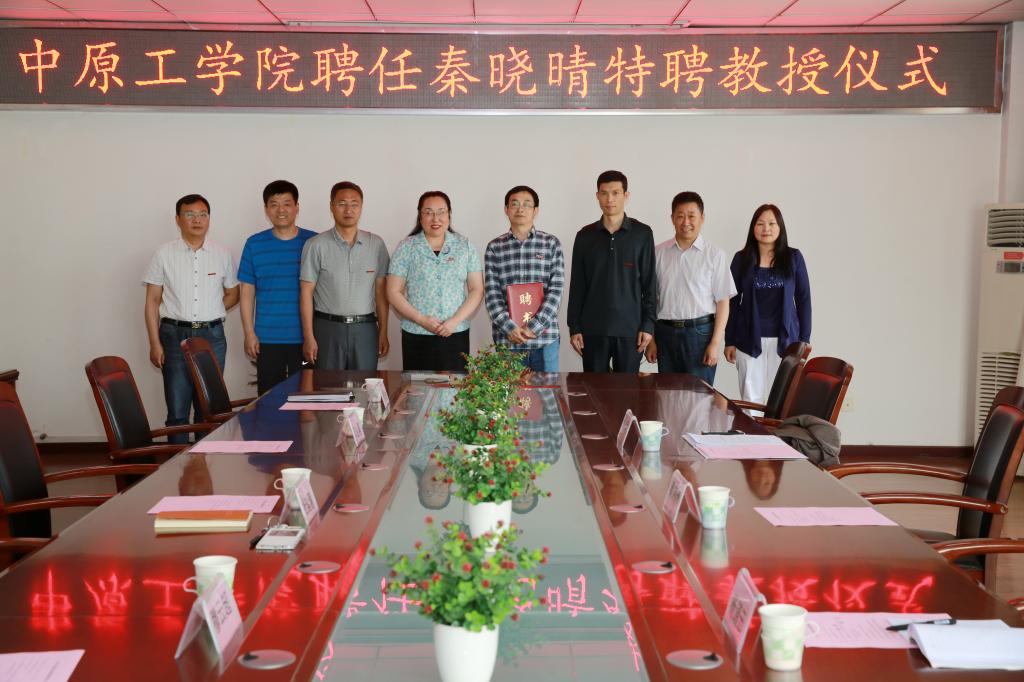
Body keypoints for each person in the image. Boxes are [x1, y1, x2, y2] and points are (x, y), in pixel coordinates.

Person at [143, 194, 239, 443]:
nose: (197, 220)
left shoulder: (222, 254)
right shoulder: (164, 253)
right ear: (178, 219)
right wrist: (154, 343)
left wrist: (211, 311)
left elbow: (233, 293)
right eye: (190, 215)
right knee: (177, 410)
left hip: (212, 337)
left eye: (202, 215)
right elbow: (152, 301)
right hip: (173, 336)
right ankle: (178, 464)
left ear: (209, 219)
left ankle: (204, 462)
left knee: (209, 409)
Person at [567, 170, 656, 373]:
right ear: (597, 196)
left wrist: (648, 325)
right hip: (592, 330)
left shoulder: (642, 234)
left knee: (627, 390)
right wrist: (575, 327)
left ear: (626, 195)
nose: (610, 199)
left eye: (615, 193)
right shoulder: (584, 236)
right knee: (594, 389)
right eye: (604, 193)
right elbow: (577, 286)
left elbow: (650, 285)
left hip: (631, 331)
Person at [724, 204, 811, 405]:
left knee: (780, 402)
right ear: (753, 228)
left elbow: (804, 299)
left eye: (772, 223)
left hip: (786, 340)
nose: (766, 229)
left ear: (780, 227)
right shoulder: (741, 259)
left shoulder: (794, 258)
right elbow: (732, 302)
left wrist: (804, 341)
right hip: (748, 339)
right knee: (750, 401)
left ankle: (776, 430)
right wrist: (729, 340)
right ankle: (751, 428)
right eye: (760, 224)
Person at [387, 191, 483, 372]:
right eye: (428, 212)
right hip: (416, 333)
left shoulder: (464, 246)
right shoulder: (406, 247)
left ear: (449, 214)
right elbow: (393, 292)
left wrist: (454, 321)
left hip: (456, 333)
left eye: (441, 212)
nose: (435, 218)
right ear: (420, 216)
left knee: (455, 387)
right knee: (417, 387)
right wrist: (421, 319)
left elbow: (477, 289)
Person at [646, 191, 735, 384]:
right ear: (672, 219)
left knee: (699, 396)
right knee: (667, 395)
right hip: (665, 334)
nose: (686, 222)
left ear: (702, 218)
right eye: (680, 216)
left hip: (700, 335)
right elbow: (651, 299)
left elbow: (723, 302)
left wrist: (715, 343)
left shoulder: (715, 255)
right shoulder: (658, 253)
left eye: (692, 216)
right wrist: (651, 340)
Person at [299, 181, 390, 371]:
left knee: (365, 385)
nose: (348, 210)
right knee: (328, 386)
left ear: (361, 207)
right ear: (332, 206)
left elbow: (381, 293)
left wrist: (383, 331)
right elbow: (306, 293)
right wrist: (308, 336)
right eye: (342, 204)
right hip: (327, 329)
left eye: (354, 204)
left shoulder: (376, 245)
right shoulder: (315, 245)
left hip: (365, 329)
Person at [238, 180, 316, 394]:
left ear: (297, 207)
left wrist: (313, 336)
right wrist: (249, 333)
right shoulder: (254, 244)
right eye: (274, 204)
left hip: (306, 339)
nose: (281, 210)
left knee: (305, 401)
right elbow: (247, 292)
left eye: (287, 204)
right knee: (269, 400)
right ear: (266, 209)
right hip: (267, 338)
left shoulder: (313, 242)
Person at [483, 185, 565, 372]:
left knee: (547, 390)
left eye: (527, 204)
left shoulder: (551, 244)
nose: (520, 209)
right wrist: (510, 327)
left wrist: (533, 327)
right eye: (515, 204)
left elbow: (556, 291)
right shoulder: (495, 247)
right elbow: (492, 295)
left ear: (535, 210)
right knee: (510, 391)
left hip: (545, 340)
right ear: (506, 209)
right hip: (508, 340)